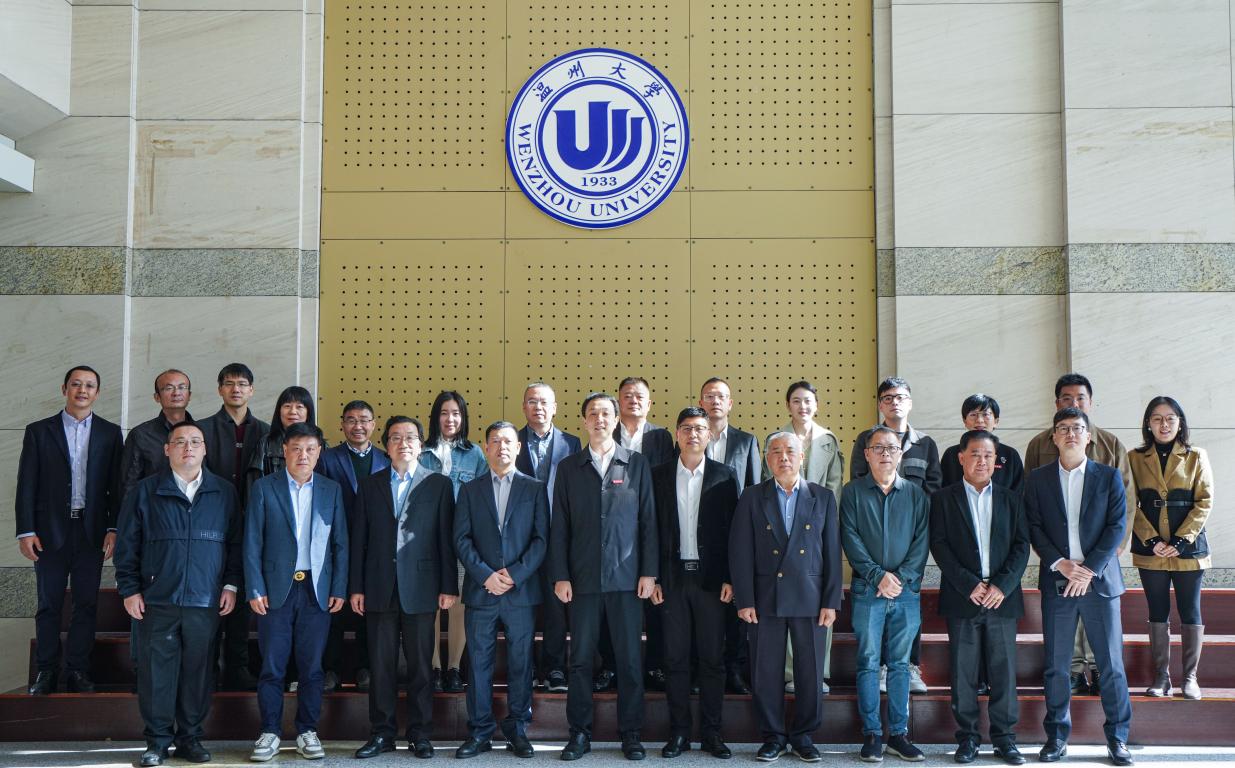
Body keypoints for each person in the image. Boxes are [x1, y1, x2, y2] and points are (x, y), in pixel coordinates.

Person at [114, 421, 241, 767]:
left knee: (198, 672)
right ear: (167, 449)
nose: (188, 447)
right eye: (180, 442)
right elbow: (127, 545)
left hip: (205, 600)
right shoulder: (145, 491)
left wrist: (230, 585)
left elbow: (235, 545)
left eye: (195, 442)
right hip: (157, 599)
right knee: (156, 674)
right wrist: (129, 589)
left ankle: (190, 739)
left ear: (205, 449)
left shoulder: (223, 492)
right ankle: (157, 742)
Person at [549, 392, 658, 761]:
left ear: (616, 420)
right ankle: (579, 733)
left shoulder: (636, 464)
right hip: (581, 581)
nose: (599, 419)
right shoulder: (569, 467)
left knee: (629, 661)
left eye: (606, 413)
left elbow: (648, 522)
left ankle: (631, 734)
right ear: (584, 421)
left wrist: (649, 572)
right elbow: (559, 526)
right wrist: (561, 575)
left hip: (626, 580)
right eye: (593, 413)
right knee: (580, 660)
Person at [1024, 408, 1133, 767]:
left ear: (1088, 437)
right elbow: (1033, 526)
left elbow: (1117, 526)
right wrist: (1061, 563)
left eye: (1077, 428)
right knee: (1057, 665)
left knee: (1111, 664)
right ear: (1054, 437)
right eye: (1063, 428)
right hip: (1058, 581)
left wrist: (1088, 569)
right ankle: (1056, 737)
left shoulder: (1108, 476)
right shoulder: (1038, 479)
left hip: (1099, 583)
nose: (1070, 433)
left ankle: (1118, 738)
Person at [730, 431, 841, 763]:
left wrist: (831, 601)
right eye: (775, 452)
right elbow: (740, 551)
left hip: (810, 596)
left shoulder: (822, 496)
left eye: (790, 451)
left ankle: (804, 735)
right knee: (765, 671)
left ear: (802, 456)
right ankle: (773, 736)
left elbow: (833, 552)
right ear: (767, 459)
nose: (783, 457)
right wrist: (744, 599)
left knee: (810, 672)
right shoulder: (752, 496)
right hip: (765, 596)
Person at [350, 416, 457, 759]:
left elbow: (445, 540)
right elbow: (359, 540)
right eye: (396, 437)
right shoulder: (370, 485)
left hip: (422, 586)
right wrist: (356, 587)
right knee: (381, 665)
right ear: (386, 445)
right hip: (378, 585)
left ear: (421, 445)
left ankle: (420, 733)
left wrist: (448, 585)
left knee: (421, 666)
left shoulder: (439, 484)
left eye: (410, 437)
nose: (403, 443)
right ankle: (381, 733)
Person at [244, 422, 349, 761]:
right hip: (276, 590)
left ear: (319, 453)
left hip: (317, 590)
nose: (303, 455)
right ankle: (269, 732)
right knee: (272, 666)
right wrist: (255, 587)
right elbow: (252, 542)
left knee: (312, 667)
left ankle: (307, 730)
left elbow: (340, 544)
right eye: (296, 448)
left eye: (310, 449)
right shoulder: (264, 488)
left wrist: (339, 587)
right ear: (284, 451)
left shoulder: (331, 490)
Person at [16, 365, 123, 695]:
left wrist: (113, 528)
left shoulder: (110, 433)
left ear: (97, 393)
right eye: (76, 384)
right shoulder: (39, 431)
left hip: (91, 532)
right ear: (65, 389)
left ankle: (78, 670)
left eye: (89, 385)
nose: (82, 390)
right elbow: (26, 483)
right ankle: (46, 671)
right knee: (48, 604)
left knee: (85, 604)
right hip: (48, 532)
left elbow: (116, 486)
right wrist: (26, 530)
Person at [929, 430, 1029, 765]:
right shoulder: (943, 499)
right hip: (964, 597)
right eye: (975, 454)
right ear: (961, 458)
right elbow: (939, 545)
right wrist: (969, 584)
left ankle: (1005, 739)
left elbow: (1021, 546)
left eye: (988, 455)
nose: (982, 460)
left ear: (996, 461)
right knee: (963, 673)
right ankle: (968, 738)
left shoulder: (1011, 499)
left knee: (1003, 672)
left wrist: (1002, 585)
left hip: (1002, 598)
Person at [453, 421, 550, 759]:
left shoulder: (534, 488)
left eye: (508, 441)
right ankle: (479, 731)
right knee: (478, 663)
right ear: (486, 447)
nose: (502, 447)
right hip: (482, 591)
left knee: (521, 663)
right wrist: (485, 575)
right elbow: (461, 539)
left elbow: (541, 539)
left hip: (520, 592)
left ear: (518, 447)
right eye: (495, 441)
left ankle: (517, 728)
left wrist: (515, 574)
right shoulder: (470, 490)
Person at [651, 407, 740, 759]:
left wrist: (731, 577)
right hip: (672, 580)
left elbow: (734, 531)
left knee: (712, 660)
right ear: (677, 434)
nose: (693, 434)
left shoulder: (725, 475)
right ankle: (679, 734)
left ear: (709, 435)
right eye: (686, 428)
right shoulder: (658, 474)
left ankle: (712, 734)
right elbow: (649, 530)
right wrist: (653, 577)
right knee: (675, 659)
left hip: (711, 581)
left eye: (700, 429)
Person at [841, 425, 930, 763]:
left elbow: (922, 541)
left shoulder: (915, 494)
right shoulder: (852, 493)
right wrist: (878, 576)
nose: (885, 454)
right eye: (878, 448)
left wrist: (900, 578)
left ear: (900, 454)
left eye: (891, 448)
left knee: (900, 664)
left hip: (906, 593)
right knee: (867, 661)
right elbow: (850, 538)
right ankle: (872, 734)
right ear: (866, 454)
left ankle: (899, 734)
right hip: (868, 591)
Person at [850, 377, 940, 696]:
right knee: (876, 611)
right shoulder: (866, 440)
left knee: (907, 604)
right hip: (874, 535)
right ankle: (881, 668)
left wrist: (910, 516)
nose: (894, 403)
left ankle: (909, 665)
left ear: (910, 402)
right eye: (887, 398)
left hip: (911, 537)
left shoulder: (925, 443)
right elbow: (858, 484)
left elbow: (934, 488)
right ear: (879, 404)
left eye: (900, 397)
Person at [1128, 396, 1213, 700]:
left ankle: (1189, 678)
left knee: (1190, 610)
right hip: (1150, 551)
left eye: (1170, 418)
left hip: (1188, 549)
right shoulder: (1134, 457)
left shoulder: (1196, 456)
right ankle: (1161, 677)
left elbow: (1204, 502)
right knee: (1157, 611)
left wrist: (1179, 541)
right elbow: (1129, 503)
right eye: (1157, 418)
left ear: (1180, 422)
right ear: (1148, 424)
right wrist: (1153, 541)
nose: (1164, 424)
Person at [198, 362, 270, 691]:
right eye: (229, 383)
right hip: (211, 525)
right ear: (219, 389)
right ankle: (208, 668)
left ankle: (237, 667)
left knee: (242, 593)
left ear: (251, 390)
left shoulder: (266, 432)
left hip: (252, 526)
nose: (236, 389)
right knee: (212, 594)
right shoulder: (202, 430)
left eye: (242, 384)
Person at [771, 380, 843, 696]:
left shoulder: (828, 440)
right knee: (787, 599)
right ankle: (790, 672)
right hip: (784, 527)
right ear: (788, 405)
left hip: (817, 527)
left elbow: (835, 485)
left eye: (808, 401)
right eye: (797, 401)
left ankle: (819, 672)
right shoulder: (776, 439)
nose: (803, 406)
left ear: (816, 405)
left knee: (820, 601)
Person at [315, 399, 389, 693]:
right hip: (336, 544)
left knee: (368, 610)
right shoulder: (327, 459)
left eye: (364, 420)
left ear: (373, 425)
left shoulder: (386, 459)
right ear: (342, 424)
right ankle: (330, 670)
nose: (358, 426)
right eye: (351, 420)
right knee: (334, 608)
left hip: (374, 546)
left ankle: (364, 668)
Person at [515, 383, 581, 694]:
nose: (538, 407)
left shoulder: (571, 442)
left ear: (554, 408)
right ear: (524, 407)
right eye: (532, 401)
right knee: (523, 606)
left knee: (557, 605)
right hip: (520, 536)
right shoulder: (511, 440)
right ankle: (525, 667)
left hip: (558, 535)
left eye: (544, 402)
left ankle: (555, 667)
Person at [419, 390, 487, 693]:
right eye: (444, 413)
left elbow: (483, 499)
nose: (450, 419)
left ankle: (454, 668)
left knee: (459, 604)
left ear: (463, 418)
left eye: (456, 413)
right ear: (436, 417)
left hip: (462, 540)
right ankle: (434, 667)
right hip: (427, 541)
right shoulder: (421, 452)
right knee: (430, 605)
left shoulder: (475, 454)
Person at [698, 377, 762, 696]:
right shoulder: (689, 436)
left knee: (736, 604)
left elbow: (754, 489)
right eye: (709, 396)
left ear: (730, 403)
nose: (715, 401)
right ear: (701, 402)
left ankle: (734, 670)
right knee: (703, 608)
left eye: (721, 396)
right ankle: (703, 669)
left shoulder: (746, 442)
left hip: (736, 533)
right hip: (698, 537)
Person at [609, 376, 673, 692]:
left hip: (654, 523)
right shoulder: (608, 433)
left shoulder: (661, 436)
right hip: (615, 530)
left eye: (639, 396)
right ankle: (610, 667)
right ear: (618, 401)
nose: (633, 400)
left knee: (656, 601)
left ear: (649, 403)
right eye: (627, 396)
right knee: (614, 606)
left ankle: (656, 666)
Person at [122, 369, 194, 495]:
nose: (176, 393)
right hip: (153, 504)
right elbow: (129, 485)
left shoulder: (202, 432)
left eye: (182, 387)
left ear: (189, 395)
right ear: (157, 397)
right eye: (168, 388)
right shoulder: (140, 435)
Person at [939, 394, 1024, 492]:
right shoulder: (951, 454)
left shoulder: (1010, 455)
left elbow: (1018, 494)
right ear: (964, 421)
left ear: (996, 421)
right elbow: (943, 492)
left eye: (985, 414)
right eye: (973, 415)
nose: (979, 420)